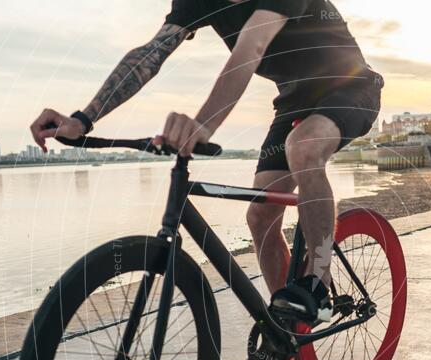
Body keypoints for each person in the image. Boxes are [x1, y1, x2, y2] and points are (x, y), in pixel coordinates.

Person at [30, 0, 383, 323]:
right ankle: (288, 328)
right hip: (294, 100)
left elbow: (251, 48)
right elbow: (152, 53)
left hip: (350, 87)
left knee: (304, 148)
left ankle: (318, 282)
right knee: (260, 216)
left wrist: (203, 125)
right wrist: (83, 120)